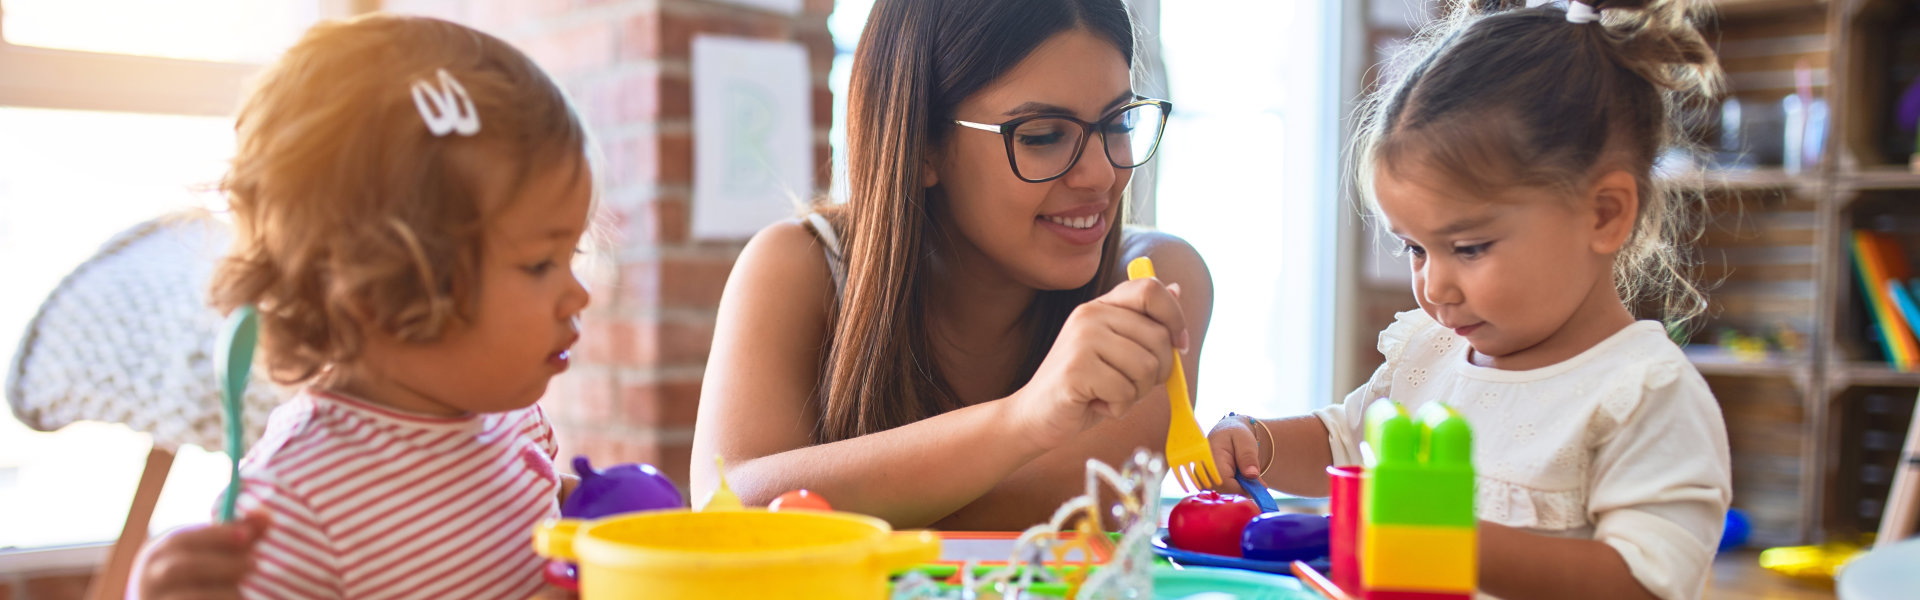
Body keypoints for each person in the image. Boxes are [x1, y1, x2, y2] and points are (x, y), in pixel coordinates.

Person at [1206, 1, 1731, 598]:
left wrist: (1452, 541)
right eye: (1415, 249)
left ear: (1604, 214)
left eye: (1470, 247)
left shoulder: (1643, 395)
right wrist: (1259, 440)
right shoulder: (1432, 353)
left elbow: (1644, 584)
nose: (1434, 287)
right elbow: (1345, 441)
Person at [689, 0, 1214, 530]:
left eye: (1118, 121)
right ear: (921, 144)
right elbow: (726, 510)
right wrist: (1023, 419)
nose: (1100, 176)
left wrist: (835, 500)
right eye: (1042, 135)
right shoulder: (799, 266)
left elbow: (1075, 503)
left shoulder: (1154, 280)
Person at [135, 13, 593, 598]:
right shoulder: (295, 507)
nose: (577, 293)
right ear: (380, 285)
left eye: (571, 252)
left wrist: (593, 516)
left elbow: (529, 531)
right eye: (539, 263)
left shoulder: (514, 422)